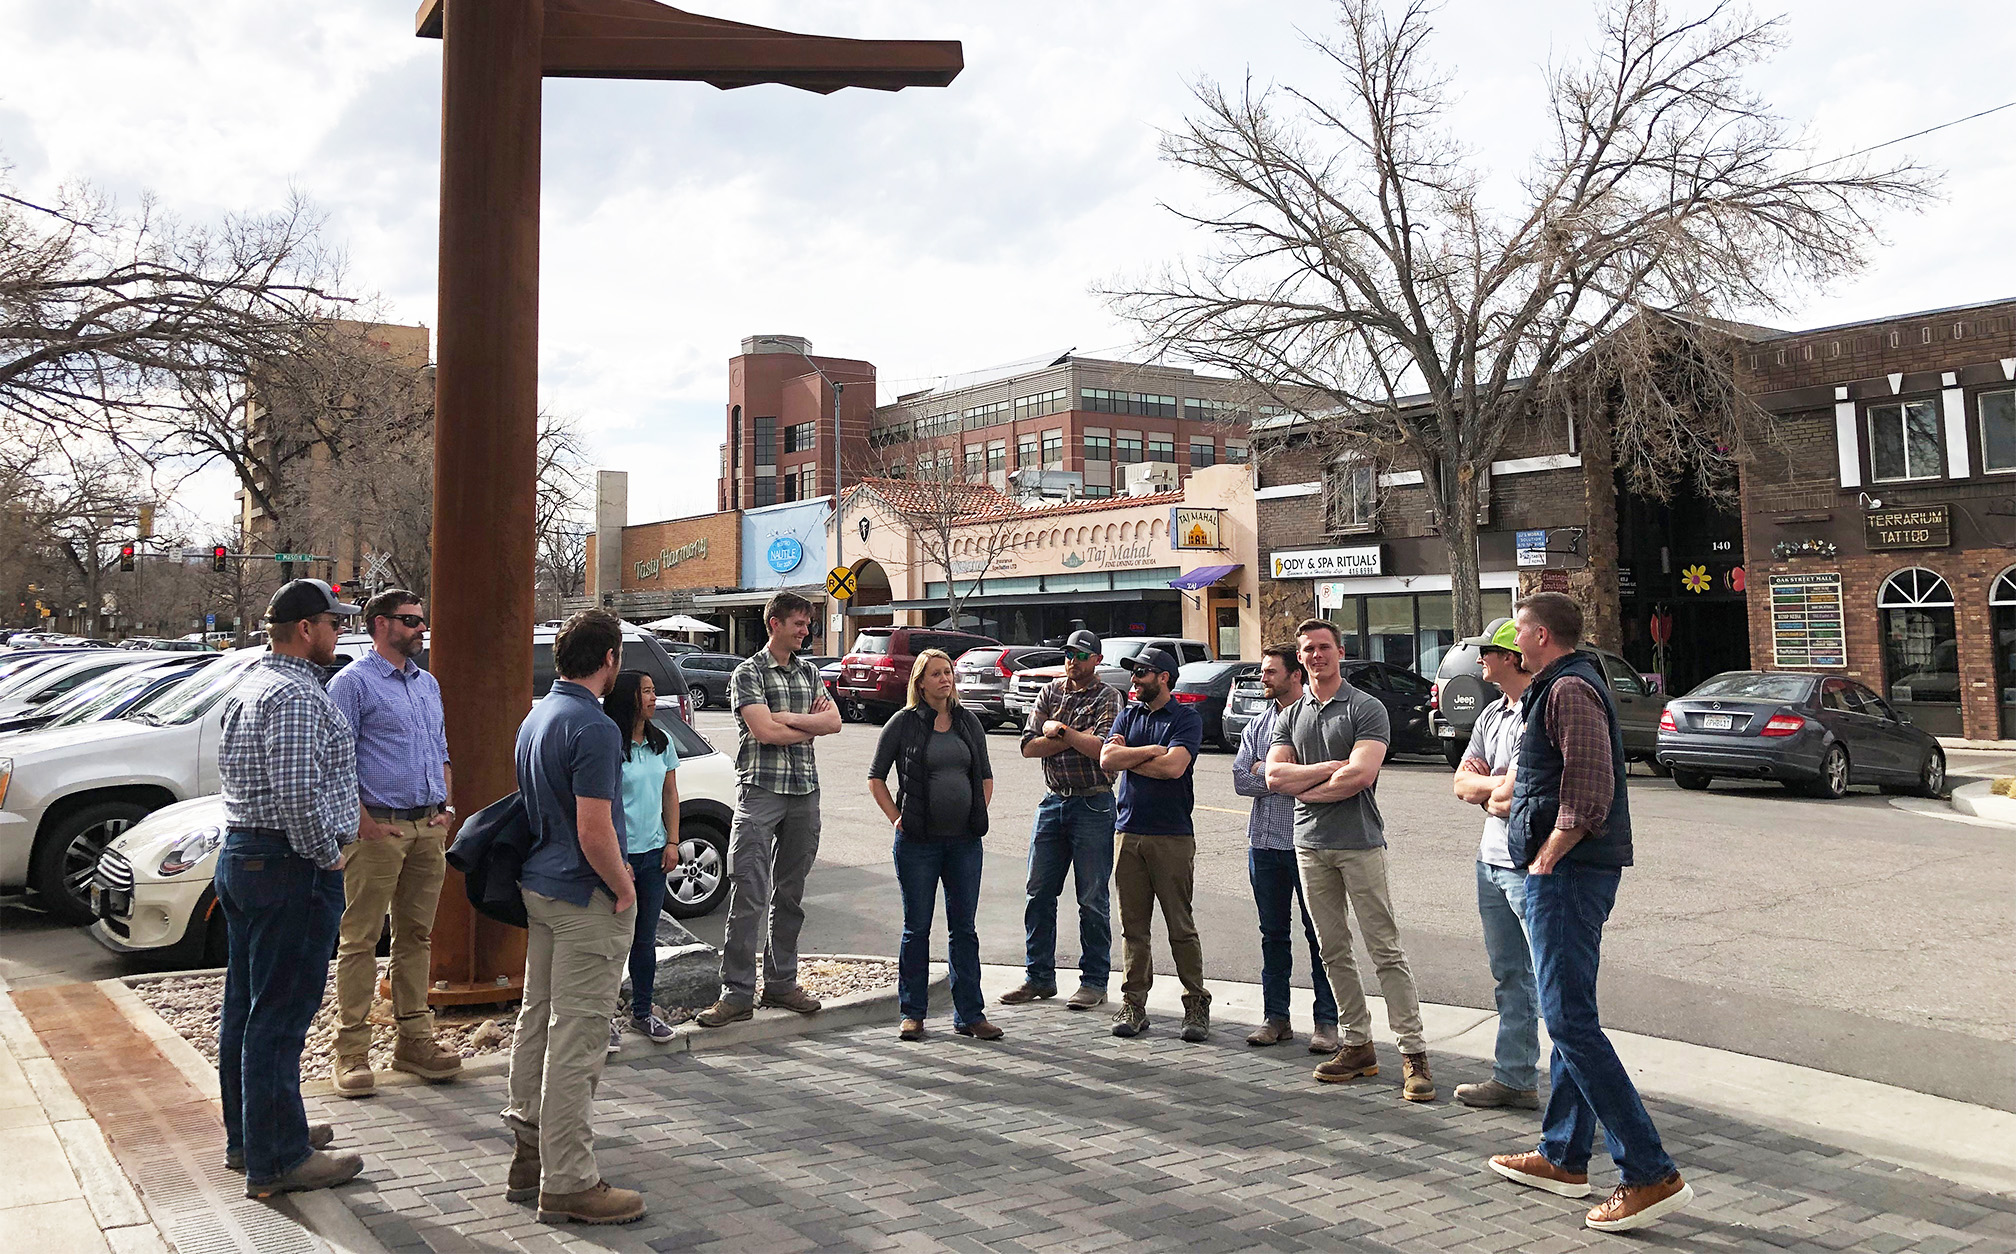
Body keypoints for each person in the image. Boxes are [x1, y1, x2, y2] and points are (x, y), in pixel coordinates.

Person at [1486, 593, 1692, 1233]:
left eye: (1518, 629)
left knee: (1570, 1021)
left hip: (1570, 873)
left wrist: (1549, 852)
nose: (1513, 639)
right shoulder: (1560, 685)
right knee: (1570, 1013)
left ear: (1541, 634)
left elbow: (1589, 789)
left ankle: (1648, 1172)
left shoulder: (1569, 690)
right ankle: (1565, 1156)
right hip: (1565, 870)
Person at [215, 579, 363, 1197]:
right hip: (288, 866)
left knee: (246, 1008)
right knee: (278, 1016)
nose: (337, 634)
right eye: (332, 623)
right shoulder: (296, 697)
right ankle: (277, 1160)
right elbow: (299, 796)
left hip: (248, 857)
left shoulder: (248, 686)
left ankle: (256, 1135)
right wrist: (327, 858)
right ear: (306, 629)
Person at [502, 610, 645, 1226]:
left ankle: (529, 1158)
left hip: (542, 888)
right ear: (610, 658)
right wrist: (625, 887)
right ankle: (569, 1180)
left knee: (538, 1020)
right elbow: (594, 828)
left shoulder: (537, 716)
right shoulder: (595, 726)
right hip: (586, 897)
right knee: (577, 1037)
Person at [1266, 618, 1433, 1102]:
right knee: (1332, 949)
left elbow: (1360, 775)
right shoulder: (1290, 715)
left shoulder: (1366, 708)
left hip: (1359, 841)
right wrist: (1325, 771)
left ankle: (1414, 1053)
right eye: (1308, 650)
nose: (1317, 656)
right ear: (1300, 659)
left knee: (1385, 950)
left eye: (1324, 647)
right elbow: (1274, 778)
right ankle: (1357, 1044)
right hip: (1309, 845)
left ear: (1341, 652)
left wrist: (1309, 787)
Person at [325, 588, 462, 1097]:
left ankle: (414, 1041)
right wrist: (362, 822)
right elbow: (335, 762)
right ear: (381, 624)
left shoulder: (427, 684)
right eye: (410, 621)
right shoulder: (352, 685)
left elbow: (441, 748)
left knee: (417, 937)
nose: (420, 629)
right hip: (377, 829)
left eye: (422, 620)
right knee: (360, 939)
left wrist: (445, 809)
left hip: (428, 828)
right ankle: (352, 1052)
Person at [696, 591, 843, 1027]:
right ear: (773, 624)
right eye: (798, 623)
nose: (805, 630)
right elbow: (763, 731)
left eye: (807, 623)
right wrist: (802, 725)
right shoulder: (748, 673)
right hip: (761, 790)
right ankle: (737, 993)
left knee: (791, 893)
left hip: (805, 791)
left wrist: (787, 719)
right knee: (749, 893)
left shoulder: (810, 672)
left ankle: (781, 983)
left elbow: (834, 723)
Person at [868, 649, 1000, 1041]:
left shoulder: (968, 722)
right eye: (937, 674)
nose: (946, 679)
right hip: (918, 845)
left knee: (964, 930)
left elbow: (986, 776)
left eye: (949, 673)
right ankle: (913, 1013)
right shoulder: (903, 723)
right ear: (920, 682)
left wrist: (975, 808)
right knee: (917, 929)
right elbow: (876, 777)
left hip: (964, 843)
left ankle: (971, 1015)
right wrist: (896, 817)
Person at [1003, 628, 1122, 1010]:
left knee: (1091, 898)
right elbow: (1028, 746)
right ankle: (1038, 977)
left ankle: (1094, 981)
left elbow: (1103, 750)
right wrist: (1074, 737)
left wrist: (1061, 730)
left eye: (1081, 655)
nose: (1072, 661)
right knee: (1038, 893)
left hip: (1094, 804)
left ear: (1096, 660)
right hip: (1053, 802)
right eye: (1069, 653)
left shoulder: (1109, 697)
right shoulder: (1049, 692)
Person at [1449, 618, 1540, 1109]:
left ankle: (1570, 1089)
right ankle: (1516, 1078)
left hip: (1527, 864)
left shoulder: (1537, 712)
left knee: (1547, 980)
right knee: (1509, 974)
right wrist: (1491, 790)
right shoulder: (1490, 716)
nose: (1479, 658)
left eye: (1487, 650)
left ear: (1510, 657)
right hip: (1489, 860)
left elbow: (1517, 795)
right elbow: (1465, 783)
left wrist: (1492, 790)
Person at [1231, 643, 1339, 1052]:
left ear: (1295, 675)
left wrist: (1275, 772)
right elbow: (1242, 779)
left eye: (1270, 671)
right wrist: (1287, 777)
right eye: (1263, 671)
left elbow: (1334, 777)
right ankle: (1276, 1018)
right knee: (1272, 934)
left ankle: (1327, 1023)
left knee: (1320, 936)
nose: (1263, 678)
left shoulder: (1315, 721)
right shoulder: (1257, 725)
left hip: (1310, 843)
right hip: (1264, 844)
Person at [1098, 647, 1208, 1041]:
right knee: (1133, 927)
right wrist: (1148, 752)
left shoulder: (1185, 717)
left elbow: (1175, 766)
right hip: (1127, 832)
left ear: (1163, 677)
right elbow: (1107, 758)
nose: (1134, 680)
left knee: (1180, 925)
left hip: (1172, 835)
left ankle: (1195, 1005)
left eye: (1141, 673)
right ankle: (1134, 1005)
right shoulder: (1129, 713)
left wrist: (1132, 759)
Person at [602, 671, 681, 1048]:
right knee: (610, 941)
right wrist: (616, 856)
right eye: (646, 691)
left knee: (644, 941)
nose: (653, 697)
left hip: (653, 855)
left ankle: (642, 1013)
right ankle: (602, 1019)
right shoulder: (608, 745)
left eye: (652, 691)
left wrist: (673, 842)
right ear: (628, 697)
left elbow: (670, 795)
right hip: (619, 858)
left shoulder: (660, 741)